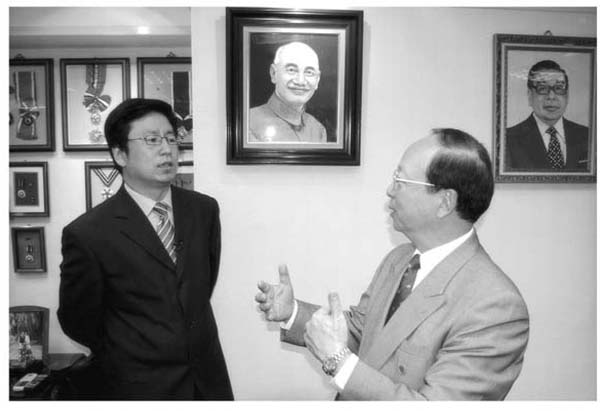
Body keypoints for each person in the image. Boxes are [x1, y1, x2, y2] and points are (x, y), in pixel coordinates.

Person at [255, 128, 529, 400]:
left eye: (401, 180)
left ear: (445, 202)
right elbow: (363, 335)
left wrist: (338, 363)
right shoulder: (400, 259)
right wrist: (292, 312)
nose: (390, 190)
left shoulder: (496, 308)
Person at [58, 98, 233, 400]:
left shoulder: (203, 210)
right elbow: (78, 321)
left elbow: (199, 287)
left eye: (171, 139)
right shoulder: (88, 234)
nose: (167, 150)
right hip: (138, 387)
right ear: (120, 154)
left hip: (208, 382)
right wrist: (132, 348)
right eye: (152, 140)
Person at [506, 60, 589, 171]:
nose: (551, 96)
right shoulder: (509, 139)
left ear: (567, 95)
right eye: (543, 88)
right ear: (529, 95)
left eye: (558, 88)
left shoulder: (588, 136)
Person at [249, 41, 327, 143]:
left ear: (317, 80)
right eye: (291, 70)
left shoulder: (318, 130)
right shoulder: (249, 123)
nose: (300, 81)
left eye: (309, 72)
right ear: (273, 73)